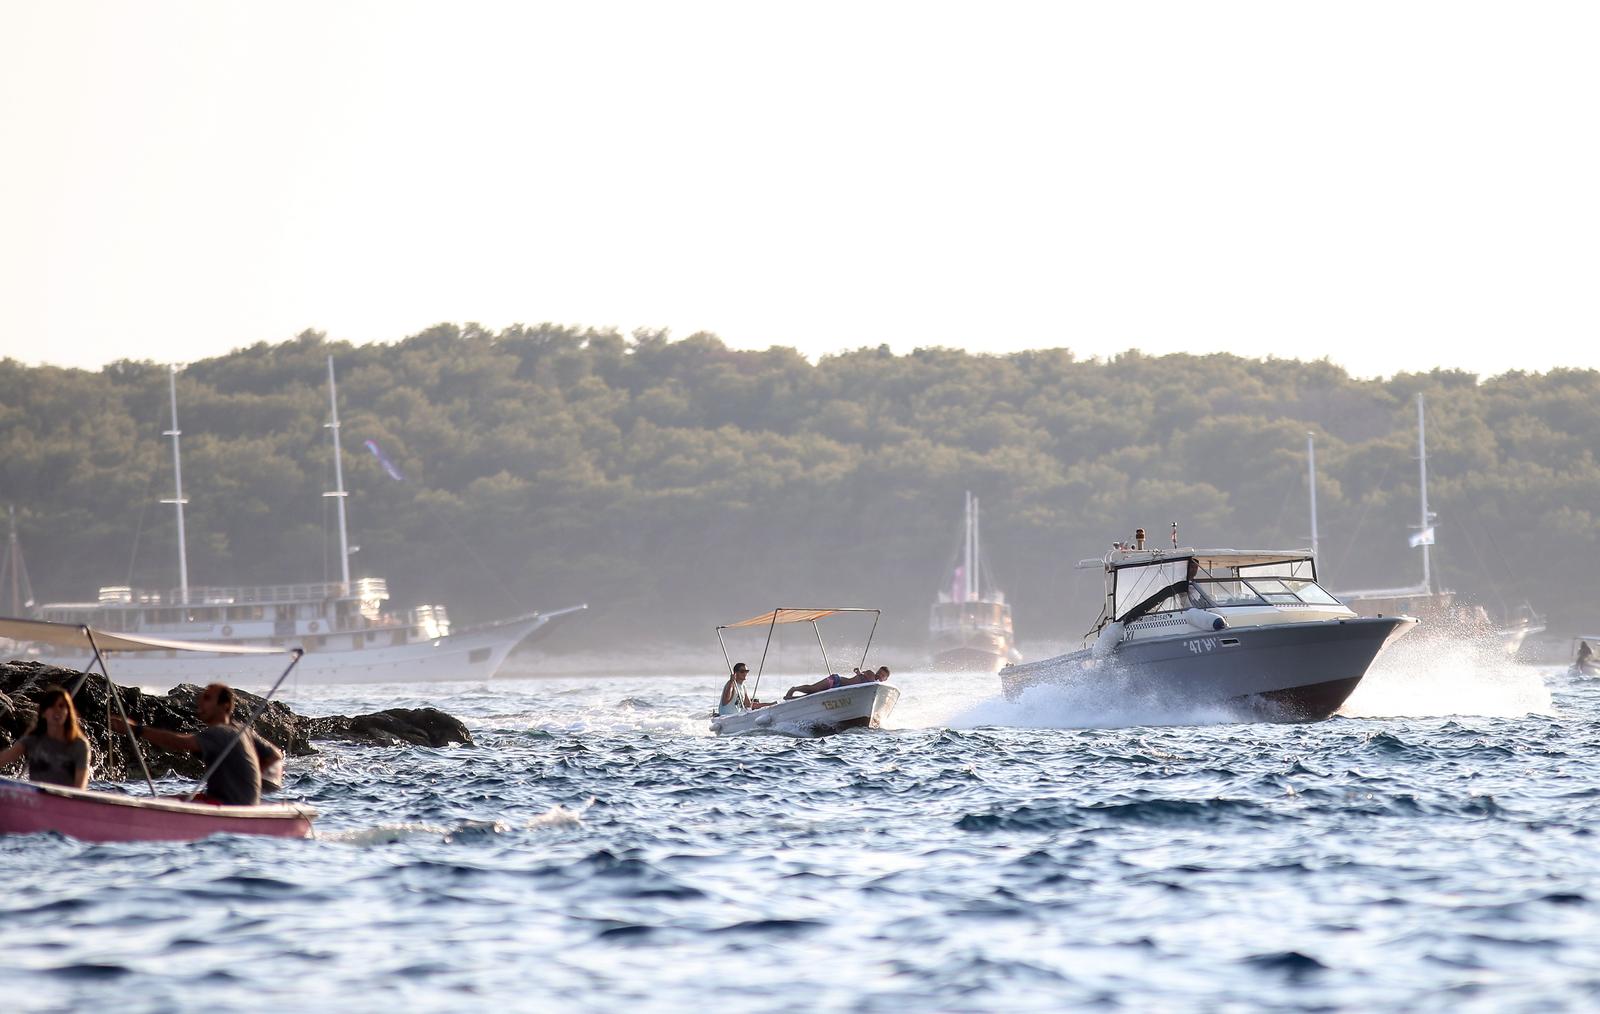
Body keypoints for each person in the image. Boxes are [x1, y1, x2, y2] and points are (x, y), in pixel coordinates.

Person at [110, 683, 264, 806]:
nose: (200, 703)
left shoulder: (220, 732)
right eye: (201, 698)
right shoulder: (242, 730)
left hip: (229, 806)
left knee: (161, 802)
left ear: (225, 706)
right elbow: (275, 755)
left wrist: (135, 729)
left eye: (208, 699)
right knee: (167, 798)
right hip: (241, 804)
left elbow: (179, 743)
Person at [0, 686, 92, 788]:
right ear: (43, 713)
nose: (57, 710)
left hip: (66, 800)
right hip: (36, 799)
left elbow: (80, 785)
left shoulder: (79, 745)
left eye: (61, 706)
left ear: (68, 712)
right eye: (51, 706)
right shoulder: (33, 740)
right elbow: (5, 757)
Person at [784, 665, 891, 700]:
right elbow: (866, 677)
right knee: (814, 689)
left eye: (883, 676)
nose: (879, 676)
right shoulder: (871, 675)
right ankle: (794, 689)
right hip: (836, 681)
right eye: (879, 673)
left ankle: (794, 699)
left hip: (839, 691)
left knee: (814, 695)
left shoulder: (876, 686)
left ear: (885, 679)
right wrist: (859, 672)